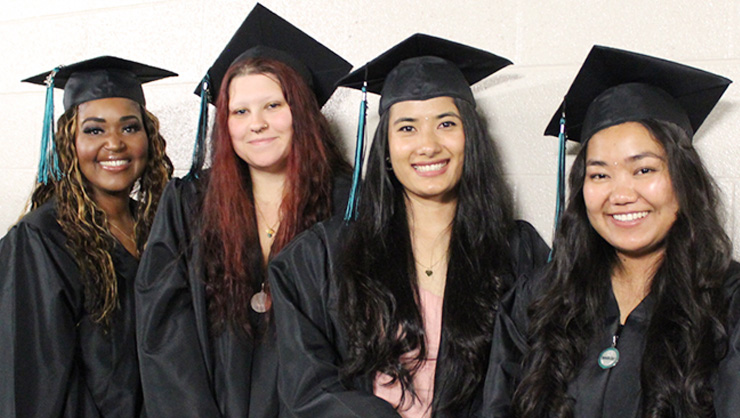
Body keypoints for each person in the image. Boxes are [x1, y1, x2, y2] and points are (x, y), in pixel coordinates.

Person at [269, 33, 550, 418]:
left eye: (446, 123)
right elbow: (307, 383)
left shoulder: (518, 251)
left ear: (471, 137)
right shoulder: (324, 255)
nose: (428, 145)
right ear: (385, 147)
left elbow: (537, 375)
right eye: (406, 128)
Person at [483, 45, 739, 417]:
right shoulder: (537, 300)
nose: (621, 194)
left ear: (684, 182)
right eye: (600, 174)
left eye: (644, 170)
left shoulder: (728, 306)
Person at [134, 4, 352, 416]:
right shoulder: (190, 204)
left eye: (274, 105)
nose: (256, 124)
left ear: (302, 112)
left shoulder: (347, 204)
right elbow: (163, 332)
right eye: (240, 111)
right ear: (226, 123)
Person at [0, 56, 175, 417]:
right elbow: (31, 380)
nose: (115, 144)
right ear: (69, 142)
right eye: (94, 130)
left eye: (130, 128)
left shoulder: (158, 227)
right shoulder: (41, 239)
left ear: (149, 138)